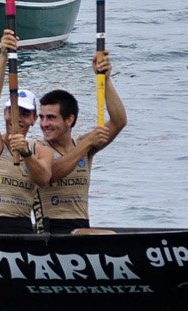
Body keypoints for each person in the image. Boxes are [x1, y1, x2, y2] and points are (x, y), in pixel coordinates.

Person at [22, 51, 127, 234]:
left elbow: (119, 121)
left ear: (69, 120)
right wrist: (86, 145)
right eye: (42, 117)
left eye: (51, 118)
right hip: (51, 230)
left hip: (81, 228)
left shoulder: (82, 143)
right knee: (110, 236)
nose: (44, 124)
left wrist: (106, 80)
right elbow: (52, 173)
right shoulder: (37, 147)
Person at [0, 31, 41, 234]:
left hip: (27, 235)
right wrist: (3, 55)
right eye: (13, 110)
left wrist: (27, 154)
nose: (18, 118)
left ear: (34, 119)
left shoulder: (39, 151)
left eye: (25, 113)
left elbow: (45, 178)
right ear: (5, 113)